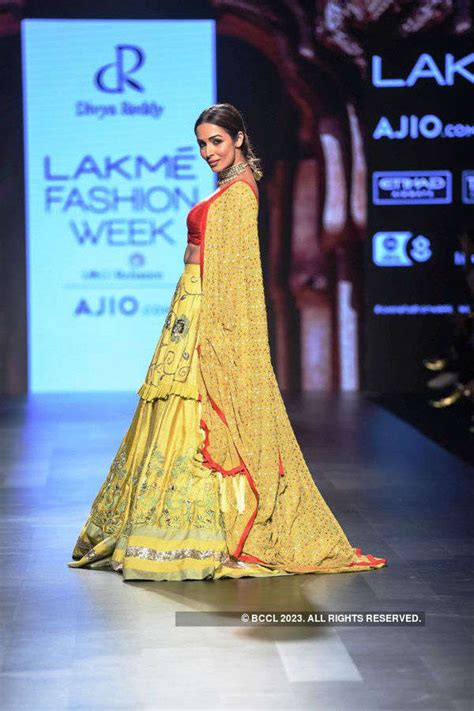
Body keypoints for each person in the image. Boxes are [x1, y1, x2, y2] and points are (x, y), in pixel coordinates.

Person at [68, 103, 387, 581]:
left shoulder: (239, 196)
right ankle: (161, 529)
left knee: (196, 419)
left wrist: (217, 338)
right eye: (201, 143)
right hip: (190, 308)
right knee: (171, 410)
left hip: (206, 316)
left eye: (216, 141)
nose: (207, 152)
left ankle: (193, 535)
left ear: (238, 138)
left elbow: (239, 281)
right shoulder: (228, 190)